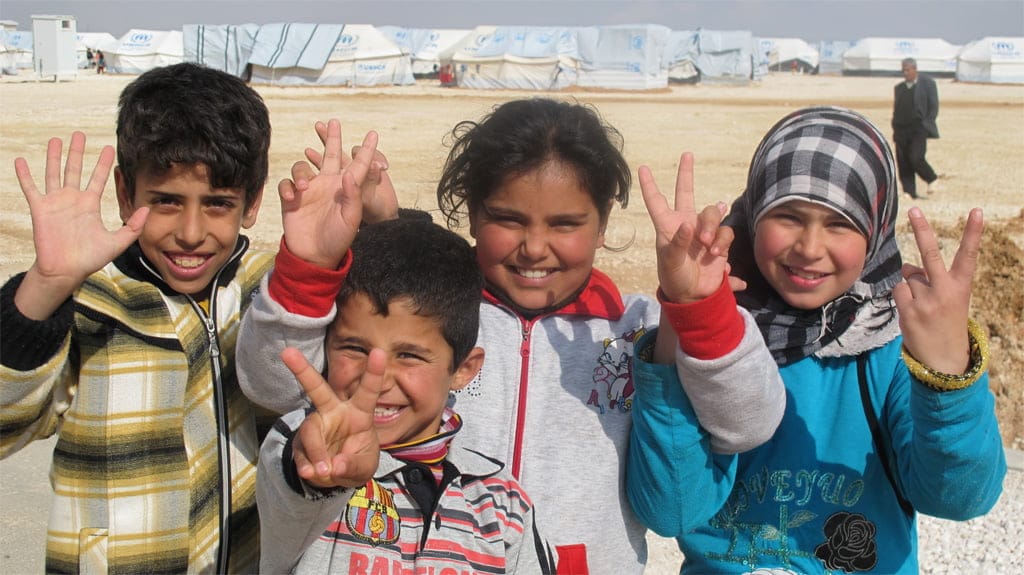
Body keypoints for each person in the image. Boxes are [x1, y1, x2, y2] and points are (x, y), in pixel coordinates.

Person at [237, 98, 785, 574]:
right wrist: (319, 263)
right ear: (472, 212)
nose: (535, 247)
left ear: (602, 223)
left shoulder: (636, 329)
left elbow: (749, 422)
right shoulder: (433, 321)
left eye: (565, 224)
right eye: (508, 219)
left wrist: (701, 311)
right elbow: (273, 384)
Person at [0, 62, 380, 573]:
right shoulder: (91, 301)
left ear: (252, 202)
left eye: (218, 204)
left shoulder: (269, 294)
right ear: (125, 193)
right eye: (166, 201)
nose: (191, 233)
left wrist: (359, 237)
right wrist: (46, 287)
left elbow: (307, 392)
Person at [626, 106, 1006, 573]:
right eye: (787, 216)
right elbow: (671, 510)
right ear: (754, 212)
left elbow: (959, 498)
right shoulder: (716, 339)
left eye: (839, 223)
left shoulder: (893, 345)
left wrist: (947, 375)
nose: (808, 248)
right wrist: (684, 315)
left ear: (875, 230)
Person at [257, 216, 556, 573]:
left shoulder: (503, 505)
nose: (378, 378)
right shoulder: (308, 447)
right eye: (354, 348)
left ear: (464, 369)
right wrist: (323, 473)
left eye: (409, 356)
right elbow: (300, 473)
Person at [892, 57, 940, 199]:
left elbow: (933, 106)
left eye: (908, 70)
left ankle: (931, 178)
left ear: (915, 69)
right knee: (903, 161)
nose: (905, 73)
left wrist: (927, 123)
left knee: (916, 157)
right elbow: (897, 109)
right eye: (903, 70)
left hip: (918, 128)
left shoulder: (927, 84)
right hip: (901, 130)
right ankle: (909, 191)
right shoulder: (899, 88)